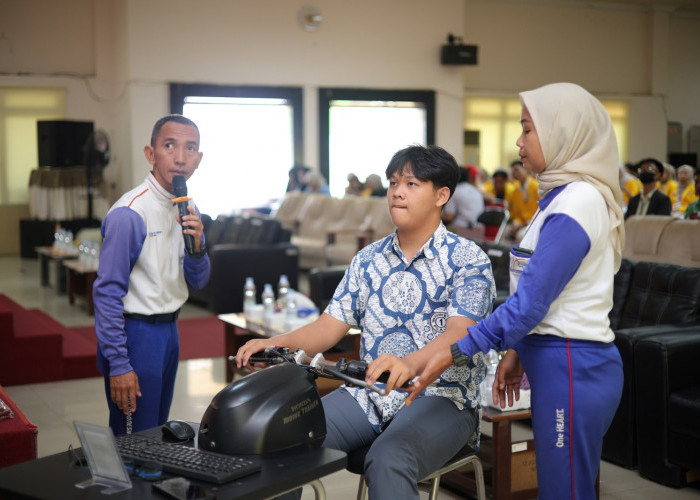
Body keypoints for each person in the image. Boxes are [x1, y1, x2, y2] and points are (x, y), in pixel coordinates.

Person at [375, 83, 625, 500]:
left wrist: (453, 351)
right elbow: (544, 296)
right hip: (554, 359)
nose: (518, 141)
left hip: (572, 365)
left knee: (566, 492)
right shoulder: (559, 199)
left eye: (527, 130)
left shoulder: (578, 203)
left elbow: (530, 303)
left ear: (563, 133)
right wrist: (517, 351)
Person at [236, 145, 495, 499]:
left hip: (444, 397)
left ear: (441, 195)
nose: (397, 192)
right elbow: (328, 327)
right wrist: (275, 343)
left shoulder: (468, 260)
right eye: (392, 182)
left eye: (412, 183)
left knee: (389, 458)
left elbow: (458, 333)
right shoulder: (367, 260)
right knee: (284, 437)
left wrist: (408, 364)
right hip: (369, 394)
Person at [93, 114, 211, 435]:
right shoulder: (130, 213)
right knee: (133, 439)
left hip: (169, 333)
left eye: (190, 149)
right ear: (151, 153)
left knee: (156, 433)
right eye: (169, 146)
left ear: (198, 159)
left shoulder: (187, 207)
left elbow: (199, 282)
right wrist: (119, 363)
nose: (180, 158)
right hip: (136, 335)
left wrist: (198, 246)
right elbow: (106, 294)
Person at [442, 164, 485, 230]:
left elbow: (449, 217)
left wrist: (433, 217)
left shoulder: (455, 191)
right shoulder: (477, 191)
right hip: (479, 229)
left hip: (462, 229)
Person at [507, 159, 539, 240]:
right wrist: (516, 223)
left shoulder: (536, 186)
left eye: (517, 170)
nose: (515, 174)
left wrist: (523, 223)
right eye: (513, 171)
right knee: (505, 232)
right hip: (523, 224)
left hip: (535, 224)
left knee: (521, 235)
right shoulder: (515, 191)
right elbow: (517, 214)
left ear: (525, 169)